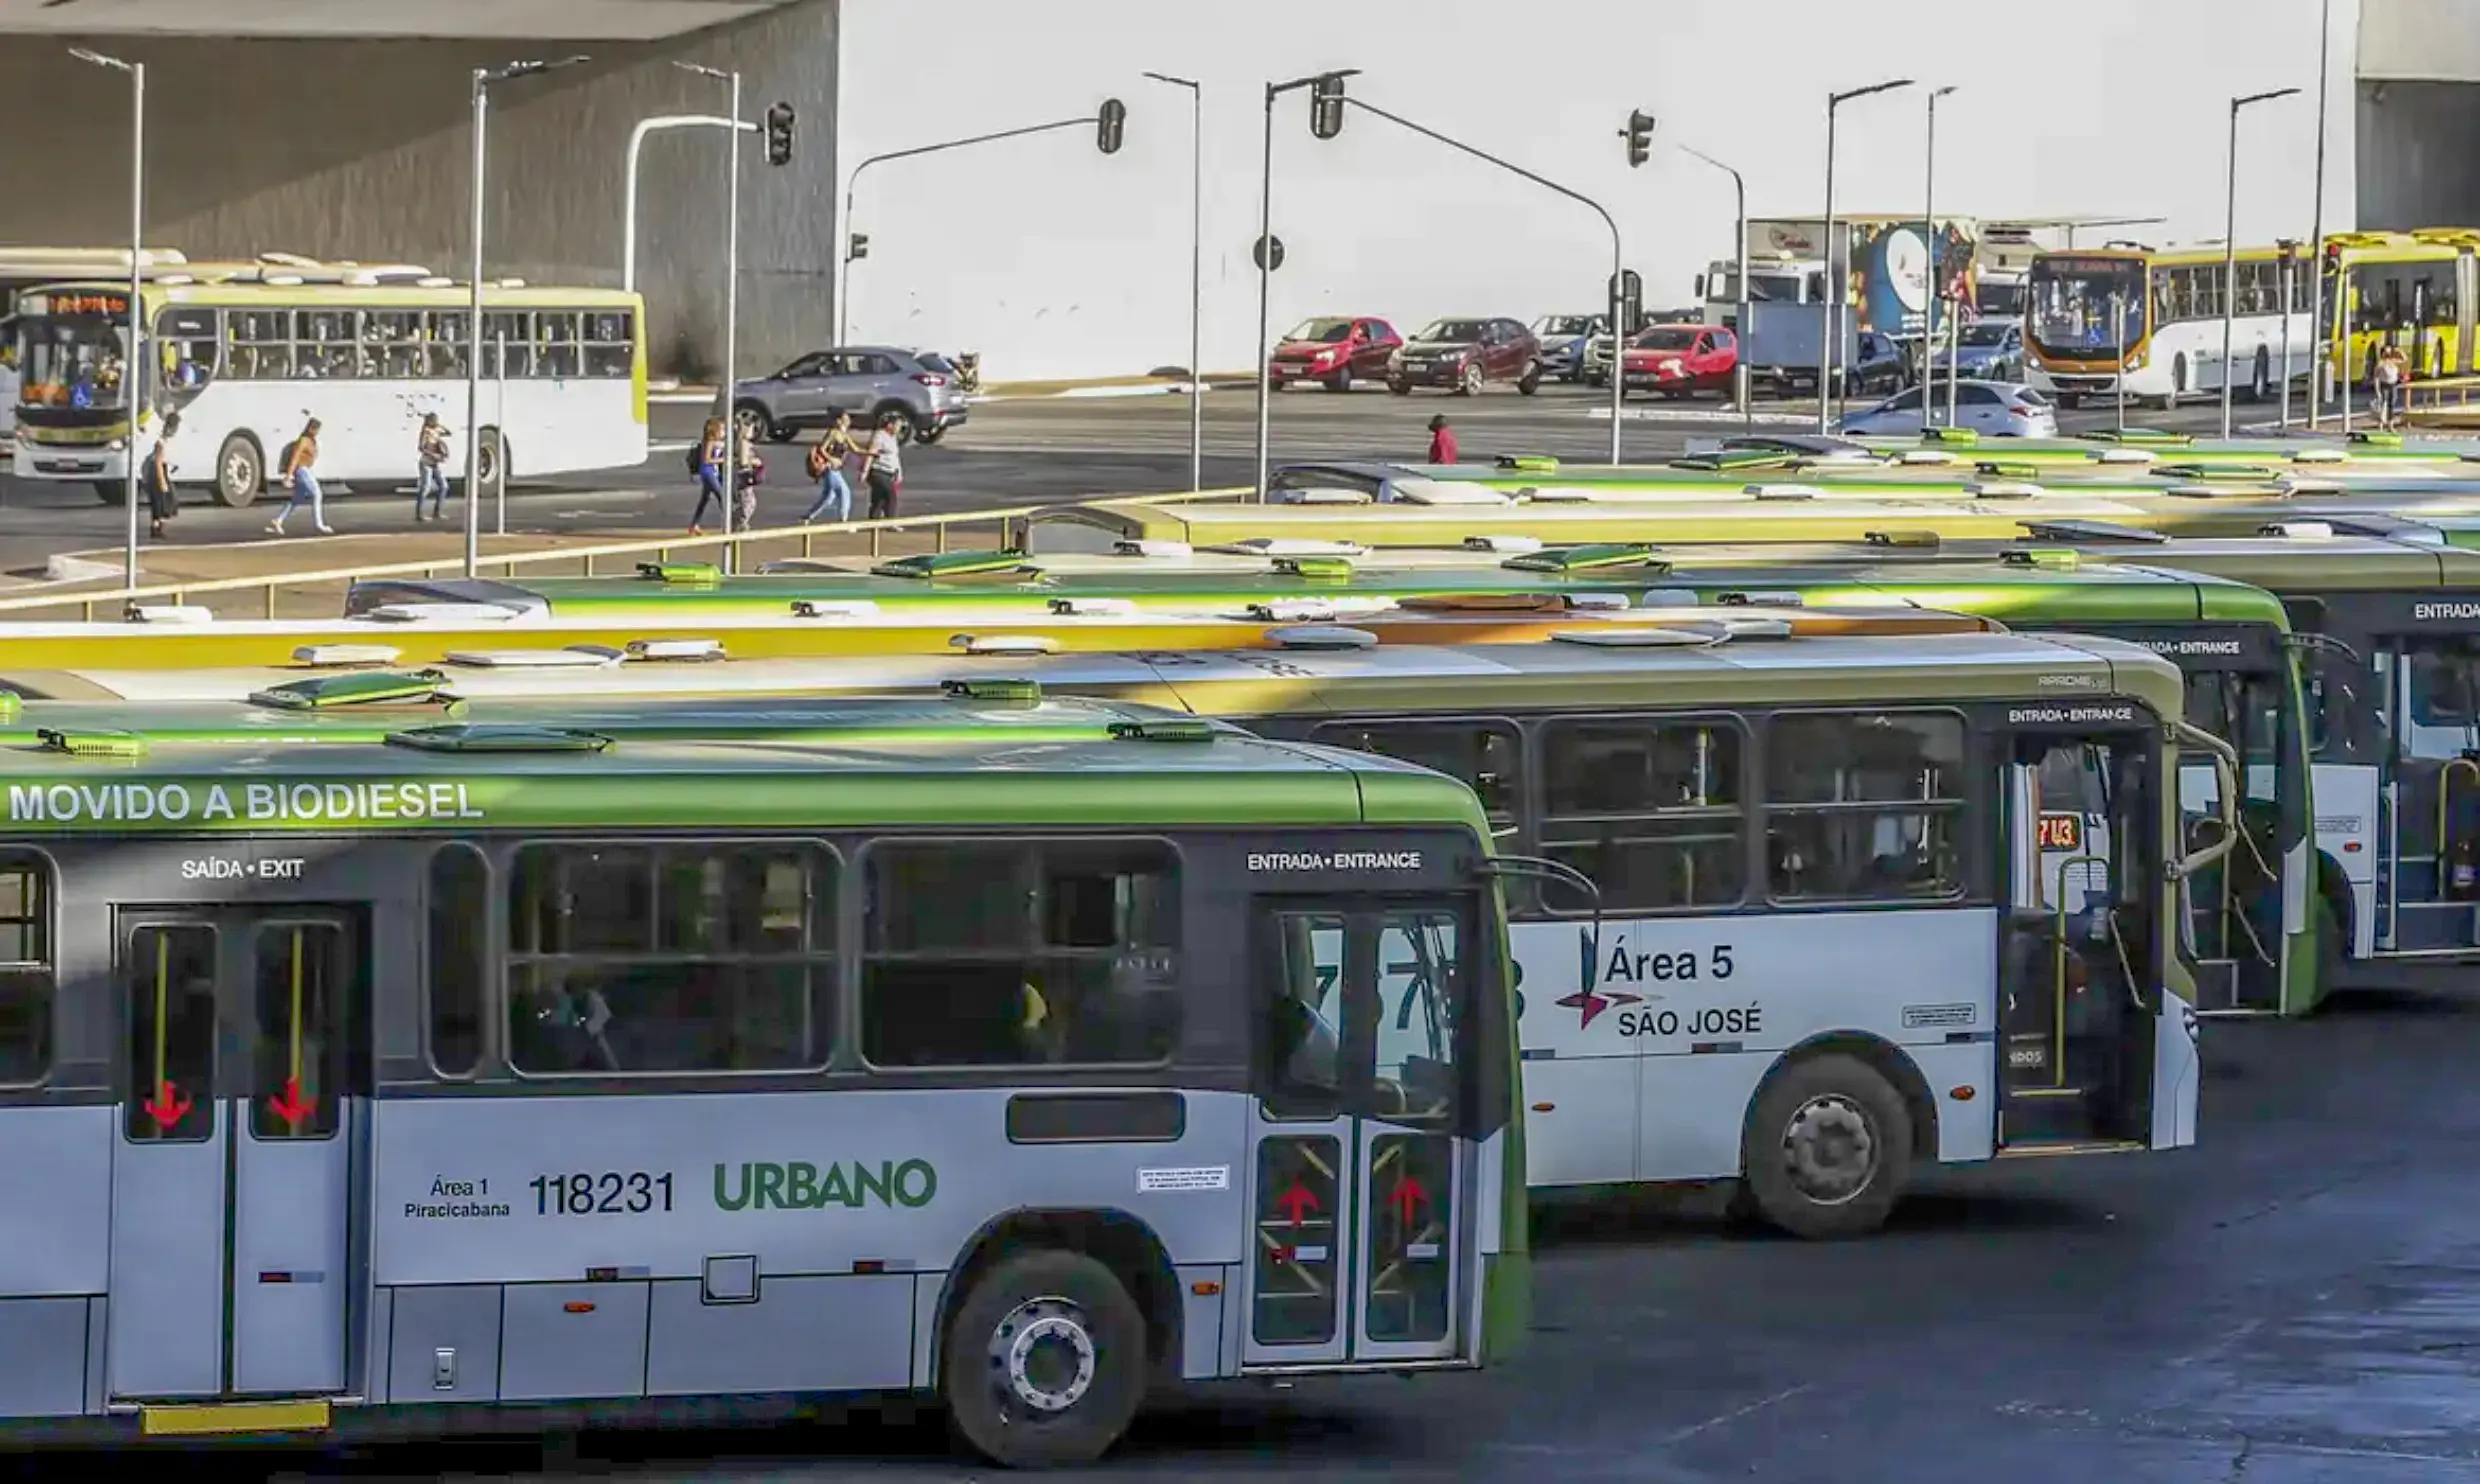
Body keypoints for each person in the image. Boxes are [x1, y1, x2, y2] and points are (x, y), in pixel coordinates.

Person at [267, 416, 331, 536]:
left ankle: (279, 520)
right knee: (317, 493)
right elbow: (295, 458)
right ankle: (319, 524)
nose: (317, 432)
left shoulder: (311, 441)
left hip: (304, 469)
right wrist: (289, 475)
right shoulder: (304, 440)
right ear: (311, 429)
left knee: (297, 499)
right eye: (316, 429)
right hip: (301, 470)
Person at [802, 410, 859, 525]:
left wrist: (871, 453)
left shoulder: (845, 435)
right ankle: (843, 520)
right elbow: (822, 449)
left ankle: (808, 516)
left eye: (848, 419)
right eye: (846, 419)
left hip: (836, 469)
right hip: (829, 469)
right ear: (839, 421)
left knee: (828, 497)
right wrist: (831, 459)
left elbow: (856, 449)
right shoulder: (833, 433)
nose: (848, 421)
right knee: (844, 491)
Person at [687, 416, 728, 535]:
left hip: (713, 472)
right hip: (707, 472)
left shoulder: (719, 442)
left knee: (704, 500)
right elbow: (706, 459)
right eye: (722, 430)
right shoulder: (709, 442)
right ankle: (728, 523)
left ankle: (694, 525)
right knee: (721, 496)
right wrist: (722, 459)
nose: (724, 432)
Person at [143, 412, 180, 540]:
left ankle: (156, 527)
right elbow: (158, 462)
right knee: (165, 501)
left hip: (159, 471)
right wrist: (162, 481)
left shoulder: (165, 440)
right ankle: (157, 528)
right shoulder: (161, 442)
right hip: (157, 472)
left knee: (159, 502)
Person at [863, 412, 904, 521]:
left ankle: (873, 522)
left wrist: (899, 472)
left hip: (889, 473)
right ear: (889, 425)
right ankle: (891, 522)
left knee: (879, 499)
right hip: (878, 472)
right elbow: (871, 453)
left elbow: (895, 456)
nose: (900, 428)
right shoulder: (879, 435)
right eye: (898, 425)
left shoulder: (893, 437)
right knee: (891, 495)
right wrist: (864, 471)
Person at [413, 412, 451, 523]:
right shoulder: (425, 432)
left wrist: (440, 426)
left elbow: (449, 433)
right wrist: (433, 454)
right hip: (426, 463)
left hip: (434, 464)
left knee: (443, 486)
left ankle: (437, 512)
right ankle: (419, 514)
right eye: (434, 420)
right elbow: (421, 447)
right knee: (425, 487)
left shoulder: (436, 431)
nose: (436, 422)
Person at [2375, 342, 2410, 430]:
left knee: (2391, 404)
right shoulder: (2380, 364)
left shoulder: (2393, 361)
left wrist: (2399, 351)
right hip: (2384, 385)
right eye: (2386, 352)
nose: (2388, 354)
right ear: (2382, 353)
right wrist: (2377, 390)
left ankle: (2390, 425)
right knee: (2383, 404)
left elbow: (2405, 359)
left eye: (2389, 352)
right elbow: (2376, 377)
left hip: (2393, 384)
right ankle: (2381, 425)